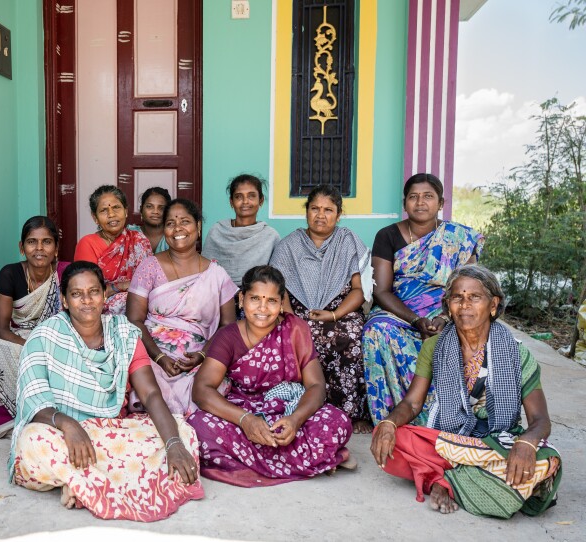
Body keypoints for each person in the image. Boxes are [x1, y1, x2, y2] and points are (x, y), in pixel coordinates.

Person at [9, 261, 203, 522]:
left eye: (94, 292)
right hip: (59, 430)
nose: (87, 300)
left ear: (104, 295)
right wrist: (69, 425)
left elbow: (150, 394)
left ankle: (79, 482)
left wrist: (174, 444)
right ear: (65, 301)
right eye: (77, 294)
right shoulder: (44, 336)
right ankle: (102, 478)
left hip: (109, 431)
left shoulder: (123, 333)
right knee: (32, 441)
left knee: (183, 433)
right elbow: (33, 399)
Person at [370, 265, 561, 518]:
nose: (465, 305)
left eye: (475, 297)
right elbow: (413, 404)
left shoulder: (516, 353)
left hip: (498, 439)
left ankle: (443, 479)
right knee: (395, 439)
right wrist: (389, 424)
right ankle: (470, 479)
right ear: (448, 305)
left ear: (493, 305)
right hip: (449, 436)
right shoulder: (435, 346)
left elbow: (540, 420)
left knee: (547, 460)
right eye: (457, 297)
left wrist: (526, 443)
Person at [189, 265, 355, 486]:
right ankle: (317, 459)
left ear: (281, 302)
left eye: (272, 301)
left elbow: (316, 385)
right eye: (255, 298)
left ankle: (269, 461)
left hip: (289, 411)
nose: (263, 308)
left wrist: (295, 420)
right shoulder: (227, 336)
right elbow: (202, 390)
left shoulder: (296, 329)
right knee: (199, 426)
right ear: (241, 299)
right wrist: (245, 420)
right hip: (243, 413)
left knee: (338, 421)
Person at [363, 174, 484, 424]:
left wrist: (444, 316)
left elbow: (470, 288)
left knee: (466, 334)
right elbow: (382, 290)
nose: (420, 202)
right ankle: (390, 417)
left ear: (440, 202)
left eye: (428, 196)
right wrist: (416, 319)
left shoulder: (458, 238)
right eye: (413, 197)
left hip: (448, 311)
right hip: (399, 312)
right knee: (376, 331)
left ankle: (445, 414)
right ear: (404, 203)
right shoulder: (387, 236)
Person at [270, 185, 373, 433]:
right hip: (298, 312)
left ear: (338, 215)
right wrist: (292, 319)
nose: (320, 215)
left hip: (341, 312)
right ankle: (309, 411)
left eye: (328, 210)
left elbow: (358, 290)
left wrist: (334, 314)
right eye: (315, 208)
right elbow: (278, 289)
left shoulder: (348, 241)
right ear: (306, 212)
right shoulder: (289, 245)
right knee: (298, 337)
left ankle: (350, 413)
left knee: (350, 337)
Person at [127, 199, 238, 415]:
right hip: (152, 353)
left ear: (198, 227)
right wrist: (159, 357)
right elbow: (133, 319)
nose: (177, 228)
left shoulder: (217, 274)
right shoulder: (149, 267)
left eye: (185, 221)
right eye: (170, 223)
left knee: (206, 389)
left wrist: (203, 356)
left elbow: (228, 325)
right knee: (148, 386)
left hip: (198, 355)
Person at [0, 216, 69, 439]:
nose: (39, 248)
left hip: (59, 344)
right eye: (32, 242)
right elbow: (1, 330)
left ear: (57, 248)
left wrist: (48, 348)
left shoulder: (67, 273)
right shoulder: (10, 274)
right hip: (21, 344)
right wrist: (33, 349)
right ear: (22, 248)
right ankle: (4, 418)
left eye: (47, 242)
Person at [74, 185, 152, 314]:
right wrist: (120, 286)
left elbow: (149, 282)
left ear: (126, 211)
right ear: (95, 218)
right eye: (104, 210)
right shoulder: (87, 243)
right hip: (99, 309)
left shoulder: (138, 240)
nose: (111, 214)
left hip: (140, 302)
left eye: (116, 207)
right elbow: (86, 290)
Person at [201, 174, 280, 286]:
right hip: (218, 295)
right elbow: (205, 272)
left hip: (257, 297)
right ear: (231, 202)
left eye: (251, 196)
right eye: (238, 197)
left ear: (261, 201)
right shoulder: (217, 231)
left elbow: (275, 278)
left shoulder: (270, 236)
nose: (245, 202)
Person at [135, 186, 171, 253]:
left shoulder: (174, 236)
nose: (155, 212)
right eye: (149, 206)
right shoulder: (130, 234)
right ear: (141, 209)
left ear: (168, 211)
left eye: (161, 208)